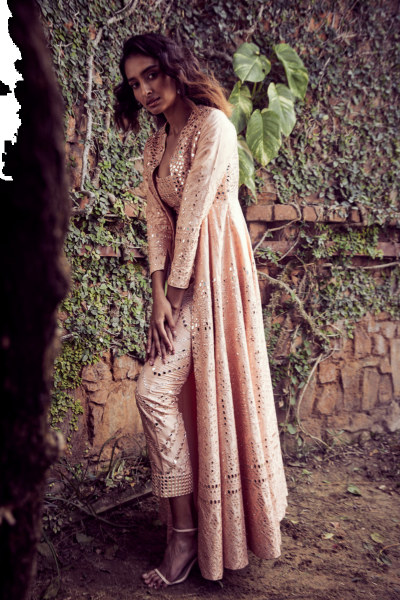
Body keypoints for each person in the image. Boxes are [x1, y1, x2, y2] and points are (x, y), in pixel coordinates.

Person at [114, 32, 287, 589]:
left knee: (152, 390)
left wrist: (174, 300)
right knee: (157, 392)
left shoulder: (213, 126)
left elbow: (192, 220)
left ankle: (193, 535)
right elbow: (158, 224)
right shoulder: (154, 144)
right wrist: (157, 296)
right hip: (179, 283)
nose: (144, 90)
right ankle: (185, 530)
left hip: (216, 276)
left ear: (173, 68)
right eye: (134, 83)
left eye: (151, 75)